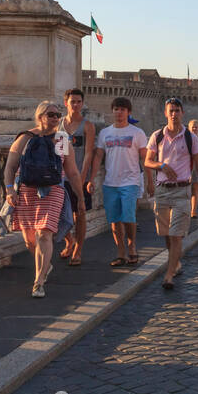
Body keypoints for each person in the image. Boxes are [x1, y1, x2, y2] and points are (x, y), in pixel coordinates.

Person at [3, 100, 86, 298]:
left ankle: (38, 282)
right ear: (40, 117)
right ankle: (45, 266)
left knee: (44, 234)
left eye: (58, 115)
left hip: (53, 190)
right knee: (29, 241)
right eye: (51, 115)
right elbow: (10, 166)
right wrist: (9, 190)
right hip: (27, 190)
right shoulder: (26, 138)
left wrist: (80, 197)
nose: (56, 118)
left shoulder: (61, 140)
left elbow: (72, 172)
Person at [143, 99, 198, 289]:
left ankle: (169, 275)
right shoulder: (157, 136)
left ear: (182, 113)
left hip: (182, 191)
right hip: (163, 190)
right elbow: (147, 161)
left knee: (176, 235)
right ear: (165, 113)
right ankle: (176, 262)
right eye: (171, 111)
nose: (174, 114)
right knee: (166, 233)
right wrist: (161, 165)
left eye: (177, 111)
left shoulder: (191, 138)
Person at [87, 97, 148, 267]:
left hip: (131, 181)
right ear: (112, 111)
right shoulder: (105, 133)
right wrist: (91, 179)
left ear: (128, 112)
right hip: (110, 183)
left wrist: (150, 180)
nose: (119, 112)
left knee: (128, 217)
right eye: (116, 109)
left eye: (122, 109)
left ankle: (132, 246)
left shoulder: (137, 133)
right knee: (114, 221)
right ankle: (120, 252)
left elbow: (145, 158)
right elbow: (98, 156)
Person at [57, 88, 95, 266]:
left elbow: (89, 153)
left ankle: (78, 250)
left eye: (79, 101)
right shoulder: (59, 125)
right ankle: (68, 241)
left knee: (80, 214)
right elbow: (57, 152)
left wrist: (82, 176)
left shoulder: (87, 126)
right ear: (66, 103)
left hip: (80, 176)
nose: (76, 105)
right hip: (61, 178)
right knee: (58, 214)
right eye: (73, 101)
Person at [187, 119, 198, 219]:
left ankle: (193, 210)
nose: (194, 128)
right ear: (189, 128)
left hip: (197, 167)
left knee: (195, 189)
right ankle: (187, 209)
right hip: (186, 167)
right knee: (186, 189)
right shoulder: (185, 140)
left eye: (196, 127)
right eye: (193, 126)